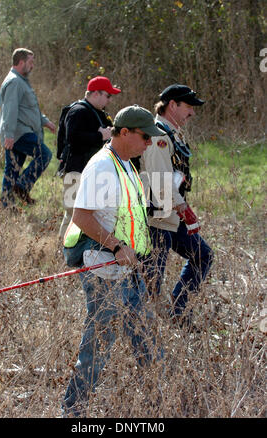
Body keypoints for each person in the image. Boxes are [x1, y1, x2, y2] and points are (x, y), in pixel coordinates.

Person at [62, 105, 166, 416]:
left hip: (125, 268)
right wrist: (118, 245)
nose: (149, 143)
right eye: (145, 137)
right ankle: (74, 411)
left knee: (145, 334)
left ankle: (162, 399)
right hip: (103, 267)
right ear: (124, 133)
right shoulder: (103, 167)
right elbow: (81, 216)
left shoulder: (127, 164)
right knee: (98, 346)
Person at [141, 84, 214, 326]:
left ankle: (179, 310)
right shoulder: (158, 136)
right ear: (172, 105)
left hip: (172, 216)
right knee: (151, 283)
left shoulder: (172, 133)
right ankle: (145, 333)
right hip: (157, 219)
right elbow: (160, 181)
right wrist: (183, 207)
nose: (192, 113)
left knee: (202, 255)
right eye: (188, 107)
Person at [58, 76, 121, 239]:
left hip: (89, 173)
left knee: (90, 216)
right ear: (95, 94)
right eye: (107, 96)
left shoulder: (97, 113)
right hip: (75, 172)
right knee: (72, 214)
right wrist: (98, 136)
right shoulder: (78, 111)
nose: (109, 100)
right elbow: (71, 139)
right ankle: (62, 251)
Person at [0, 48, 56, 208]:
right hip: (18, 133)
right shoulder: (14, 82)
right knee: (44, 154)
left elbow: (29, 108)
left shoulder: (21, 80)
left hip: (18, 132)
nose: (33, 66)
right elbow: (10, 109)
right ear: (21, 62)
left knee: (12, 169)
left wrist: (45, 121)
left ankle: (7, 205)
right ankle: (22, 187)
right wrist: (9, 134)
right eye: (31, 62)